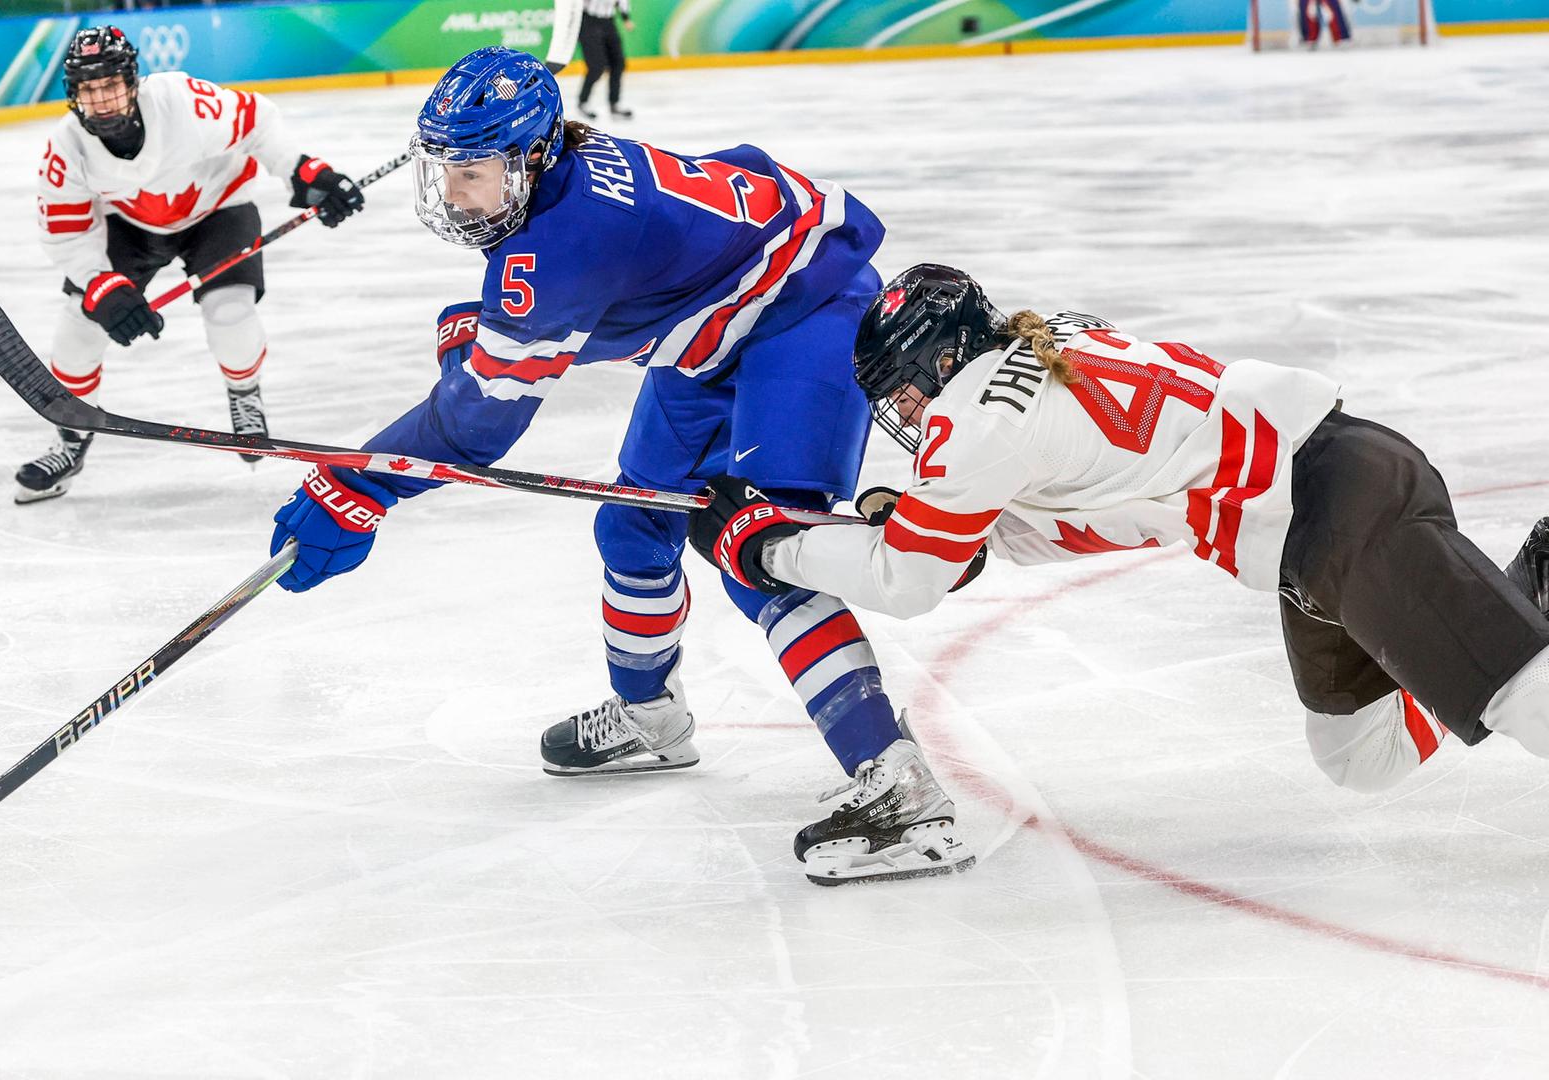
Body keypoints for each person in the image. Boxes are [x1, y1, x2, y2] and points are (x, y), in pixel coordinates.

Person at [268, 46, 973, 886]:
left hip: (805, 319)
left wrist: (355, 482)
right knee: (633, 523)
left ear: (532, 156)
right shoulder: (561, 182)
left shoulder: (565, 244)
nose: (454, 196)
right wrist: (483, 340)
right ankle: (652, 719)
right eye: (444, 171)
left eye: (472, 173)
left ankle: (902, 790)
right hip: (717, 324)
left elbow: (472, 431)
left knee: (762, 552)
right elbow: (576, 304)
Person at [689, 264, 1549, 874]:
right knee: (1361, 754)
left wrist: (764, 545)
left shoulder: (975, 424)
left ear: (938, 360)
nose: (907, 413)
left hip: (1339, 510)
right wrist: (926, 526)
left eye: (905, 391)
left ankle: (1512, 625)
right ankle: (1530, 589)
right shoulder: (1047, 340)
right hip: (1314, 521)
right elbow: (1061, 507)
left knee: (1520, 695)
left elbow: (907, 580)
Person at [18, 26, 367, 504]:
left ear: (132, 81)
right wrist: (102, 286)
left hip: (219, 209)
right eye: (88, 89)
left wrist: (303, 170)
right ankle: (70, 437)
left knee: (230, 311)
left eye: (110, 86)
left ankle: (244, 394)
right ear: (73, 95)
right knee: (80, 322)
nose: (101, 100)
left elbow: (257, 120)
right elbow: (66, 231)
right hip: (132, 225)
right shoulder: (67, 148)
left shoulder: (182, 103)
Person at [576, 0, 634, 120]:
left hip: (608, 21)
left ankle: (614, 104)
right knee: (596, 67)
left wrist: (626, 18)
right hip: (588, 22)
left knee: (618, 63)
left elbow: (622, 2)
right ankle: (583, 102)